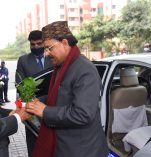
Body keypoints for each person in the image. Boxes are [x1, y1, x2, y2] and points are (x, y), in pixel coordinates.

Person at [26, 21, 108, 157]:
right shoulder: (62, 66)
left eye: (49, 48)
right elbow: (59, 95)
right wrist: (36, 103)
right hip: (65, 146)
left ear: (64, 43)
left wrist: (45, 111)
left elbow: (82, 114)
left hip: (83, 150)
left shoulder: (84, 70)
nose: (46, 54)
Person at [15, 30, 53, 157]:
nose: (36, 47)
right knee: (34, 146)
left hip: (53, 107)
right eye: (33, 44)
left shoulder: (52, 57)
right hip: (32, 111)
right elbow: (20, 86)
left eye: (39, 43)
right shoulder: (23, 60)